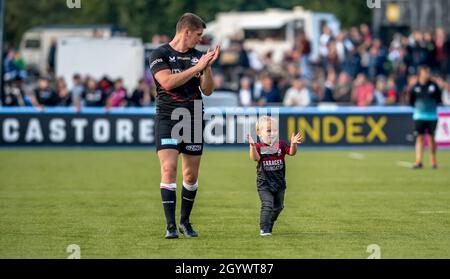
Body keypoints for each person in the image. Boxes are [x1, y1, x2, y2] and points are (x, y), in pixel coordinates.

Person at [149, 13, 220, 239]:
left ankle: (185, 222)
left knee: (190, 175)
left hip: (193, 118)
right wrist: (196, 67)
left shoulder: (198, 57)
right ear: (186, 32)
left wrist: (206, 67)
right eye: (198, 35)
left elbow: (207, 90)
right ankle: (170, 226)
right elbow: (168, 83)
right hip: (168, 117)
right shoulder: (160, 54)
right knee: (169, 169)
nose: (201, 39)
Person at [247, 116, 303, 236]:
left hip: (280, 183)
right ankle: (264, 229)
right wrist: (252, 147)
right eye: (268, 130)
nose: (272, 133)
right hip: (264, 184)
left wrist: (293, 144)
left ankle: (269, 222)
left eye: (275, 130)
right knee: (267, 205)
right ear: (259, 133)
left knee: (279, 207)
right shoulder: (258, 147)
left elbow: (292, 153)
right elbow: (255, 158)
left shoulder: (281, 145)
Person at [409, 65, 442, 169]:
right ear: (420, 74)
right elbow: (411, 101)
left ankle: (433, 160)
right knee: (419, 138)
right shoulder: (415, 87)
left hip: (432, 116)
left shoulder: (434, 86)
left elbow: (438, 99)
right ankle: (418, 161)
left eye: (428, 72)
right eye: (425, 72)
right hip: (419, 116)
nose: (427, 74)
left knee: (432, 138)